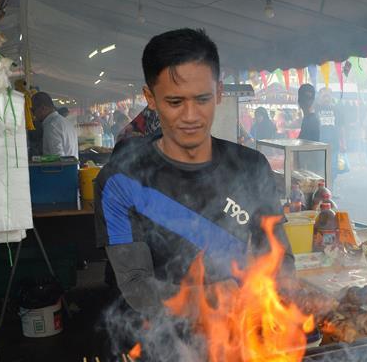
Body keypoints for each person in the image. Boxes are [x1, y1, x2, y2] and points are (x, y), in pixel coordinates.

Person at [95, 28, 294, 317]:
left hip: (239, 339)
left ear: (220, 93)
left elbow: (279, 258)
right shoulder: (121, 181)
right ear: (150, 98)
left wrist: (272, 292)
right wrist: (209, 298)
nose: (190, 116)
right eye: (175, 102)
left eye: (202, 99)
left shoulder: (251, 167)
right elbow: (136, 288)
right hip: (157, 348)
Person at [32, 91, 78, 158]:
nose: (33, 115)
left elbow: (58, 159)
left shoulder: (51, 126)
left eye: (33, 110)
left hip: (63, 168)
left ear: (43, 108)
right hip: (72, 167)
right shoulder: (66, 122)